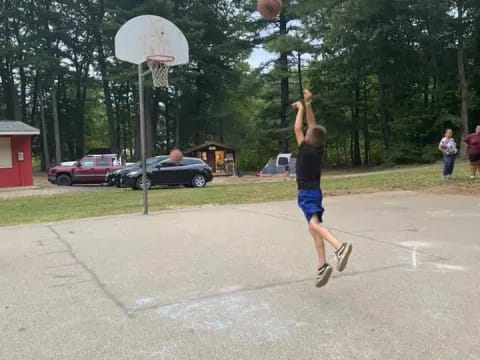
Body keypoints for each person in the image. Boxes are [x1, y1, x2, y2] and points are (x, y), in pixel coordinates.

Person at [292, 89, 352, 289]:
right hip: (316, 191)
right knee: (313, 227)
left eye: (307, 133)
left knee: (314, 226)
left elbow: (298, 128)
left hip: (307, 193)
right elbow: (311, 125)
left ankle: (339, 247)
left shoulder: (305, 148)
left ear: (308, 138)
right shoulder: (317, 148)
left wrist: (300, 108)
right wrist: (308, 103)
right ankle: (322, 265)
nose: (307, 131)